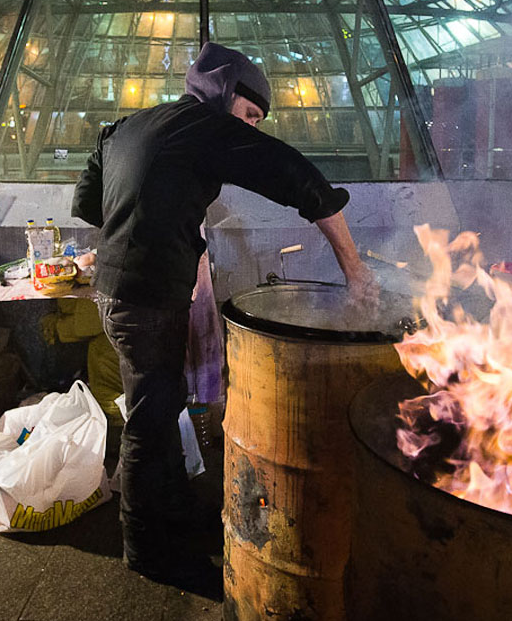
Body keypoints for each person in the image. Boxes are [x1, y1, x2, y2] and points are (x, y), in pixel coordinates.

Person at [72, 41, 378, 586]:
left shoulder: (132, 123)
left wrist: (155, 226)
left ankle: (174, 513)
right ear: (224, 93)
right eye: (251, 115)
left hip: (117, 292)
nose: (252, 129)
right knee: (149, 418)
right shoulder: (206, 128)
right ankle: (143, 546)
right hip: (145, 299)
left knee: (161, 407)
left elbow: (89, 203)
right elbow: (299, 180)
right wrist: (356, 272)